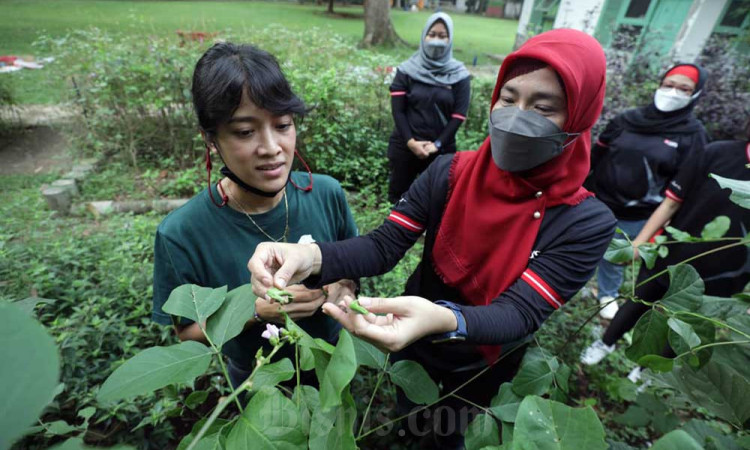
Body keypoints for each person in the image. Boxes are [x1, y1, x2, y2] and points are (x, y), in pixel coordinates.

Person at [248, 29, 616, 447]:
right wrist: (310, 258)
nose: (516, 114)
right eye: (509, 98)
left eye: (542, 107)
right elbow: (383, 246)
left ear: (579, 119)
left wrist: (447, 319)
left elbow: (519, 313)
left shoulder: (584, 222)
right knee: (412, 410)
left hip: (484, 356)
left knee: (452, 428)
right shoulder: (450, 173)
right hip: (415, 330)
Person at [151, 43, 359, 389]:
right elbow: (187, 333)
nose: (271, 148)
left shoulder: (327, 194)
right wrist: (253, 312)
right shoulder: (181, 233)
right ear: (210, 139)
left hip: (335, 368)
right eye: (246, 132)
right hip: (257, 385)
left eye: (283, 125)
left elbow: (354, 273)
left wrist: (338, 289)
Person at [581, 120, 750, 367]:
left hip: (727, 277)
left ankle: (650, 372)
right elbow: (672, 201)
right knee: (640, 302)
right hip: (676, 254)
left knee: (688, 327)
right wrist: (639, 243)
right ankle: (606, 342)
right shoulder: (717, 153)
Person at [586, 63, 709, 319]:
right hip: (595, 201)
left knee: (616, 256)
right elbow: (595, 156)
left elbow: (681, 190)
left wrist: (645, 239)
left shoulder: (692, 135)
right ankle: (572, 281)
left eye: (683, 89)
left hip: (637, 214)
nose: (673, 92)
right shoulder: (627, 120)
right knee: (580, 245)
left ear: (695, 94)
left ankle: (607, 292)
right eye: (668, 85)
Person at [387, 12, 471, 204]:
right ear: (424, 35)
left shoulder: (459, 75)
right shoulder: (407, 71)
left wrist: (437, 145)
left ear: (450, 40)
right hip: (405, 146)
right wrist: (411, 142)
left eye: (442, 36)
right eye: (432, 34)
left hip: (441, 150)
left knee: (436, 200)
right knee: (398, 198)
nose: (436, 40)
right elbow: (398, 111)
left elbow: (459, 115)